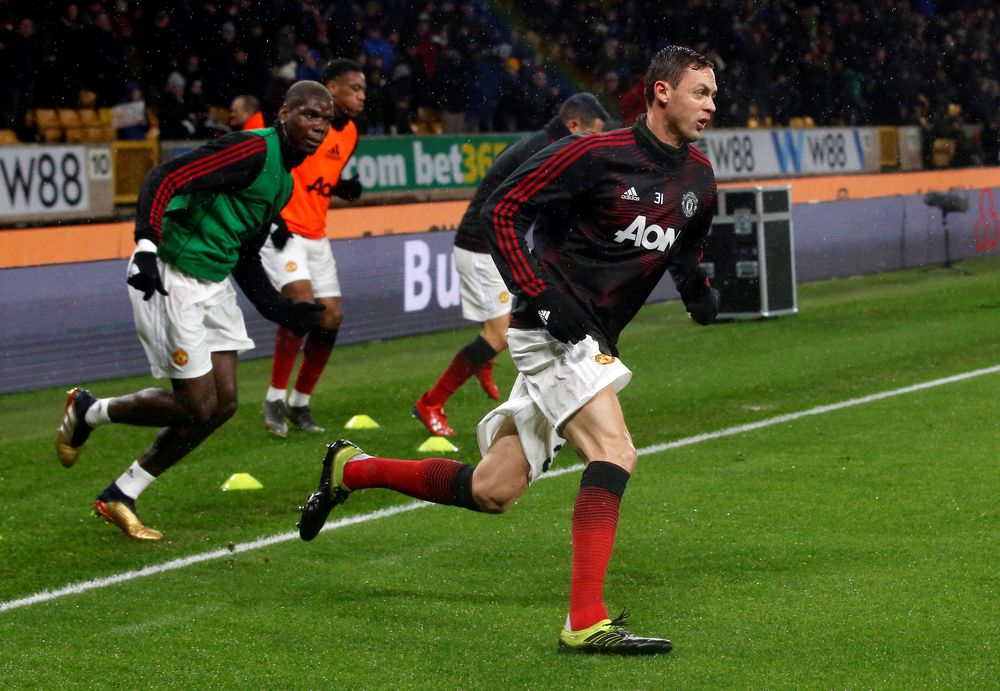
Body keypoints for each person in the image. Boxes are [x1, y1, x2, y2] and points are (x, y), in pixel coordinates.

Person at [298, 45, 720, 654]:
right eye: (699, 92)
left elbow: (684, 246)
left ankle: (351, 470)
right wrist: (539, 296)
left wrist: (698, 291)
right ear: (661, 93)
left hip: (592, 336)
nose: (711, 105)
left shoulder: (697, 178)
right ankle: (586, 621)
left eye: (712, 94)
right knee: (614, 450)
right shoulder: (592, 155)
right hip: (550, 331)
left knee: (492, 490)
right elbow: (501, 210)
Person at [54, 80, 334, 541]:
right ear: (283, 114)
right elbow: (163, 177)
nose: (317, 126)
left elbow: (244, 253)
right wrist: (145, 245)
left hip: (213, 282)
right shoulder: (252, 150)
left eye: (324, 119)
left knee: (222, 405)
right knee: (196, 404)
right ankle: (90, 411)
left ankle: (121, 493)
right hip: (170, 272)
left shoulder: (284, 180)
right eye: (308, 114)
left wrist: (280, 310)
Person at [412, 93, 610, 437]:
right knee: (499, 334)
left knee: (508, 327)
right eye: (592, 135)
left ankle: (482, 364)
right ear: (574, 126)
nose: (593, 146)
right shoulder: (547, 150)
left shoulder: (541, 142)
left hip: (490, 245)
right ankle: (430, 403)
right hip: (483, 248)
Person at [259, 59, 366, 436]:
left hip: (316, 234)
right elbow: (271, 164)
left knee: (331, 316)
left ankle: (299, 403)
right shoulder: (293, 122)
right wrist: (273, 218)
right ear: (332, 88)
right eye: (355, 88)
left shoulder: (349, 132)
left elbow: (318, 175)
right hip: (283, 229)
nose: (362, 97)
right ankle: (273, 397)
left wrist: (341, 188)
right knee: (301, 305)